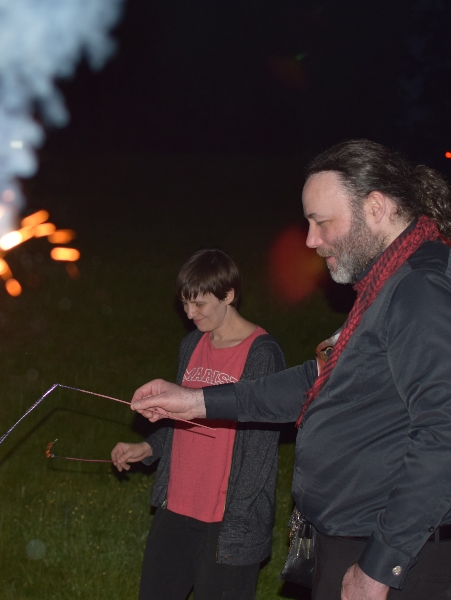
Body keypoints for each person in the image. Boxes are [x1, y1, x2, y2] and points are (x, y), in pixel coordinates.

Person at [130, 139, 451, 600]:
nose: (310, 240)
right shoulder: (385, 286)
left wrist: (381, 565)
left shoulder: (419, 292)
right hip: (352, 542)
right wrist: (195, 401)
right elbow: (316, 381)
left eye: (321, 222)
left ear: (375, 208)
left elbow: (443, 434)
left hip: (396, 558)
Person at [111, 249, 286, 599]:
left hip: (226, 519)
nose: (190, 314)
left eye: (200, 304)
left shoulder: (262, 354)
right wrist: (147, 447)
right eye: (185, 304)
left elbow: (259, 453)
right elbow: (181, 418)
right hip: (176, 506)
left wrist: (240, 522)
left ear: (229, 295)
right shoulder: (191, 344)